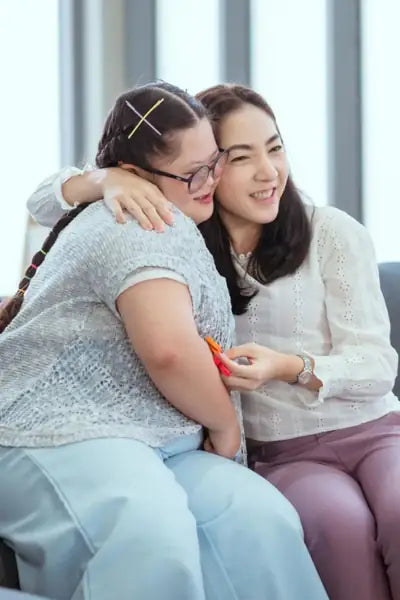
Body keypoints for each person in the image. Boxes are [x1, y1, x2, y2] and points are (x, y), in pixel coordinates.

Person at [30, 82, 400, 600]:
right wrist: (108, 178)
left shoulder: (331, 232)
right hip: (283, 454)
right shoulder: (180, 233)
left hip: (374, 431)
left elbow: (378, 365)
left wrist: (288, 367)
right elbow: (43, 202)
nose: (268, 172)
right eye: (240, 158)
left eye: (275, 148)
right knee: (337, 525)